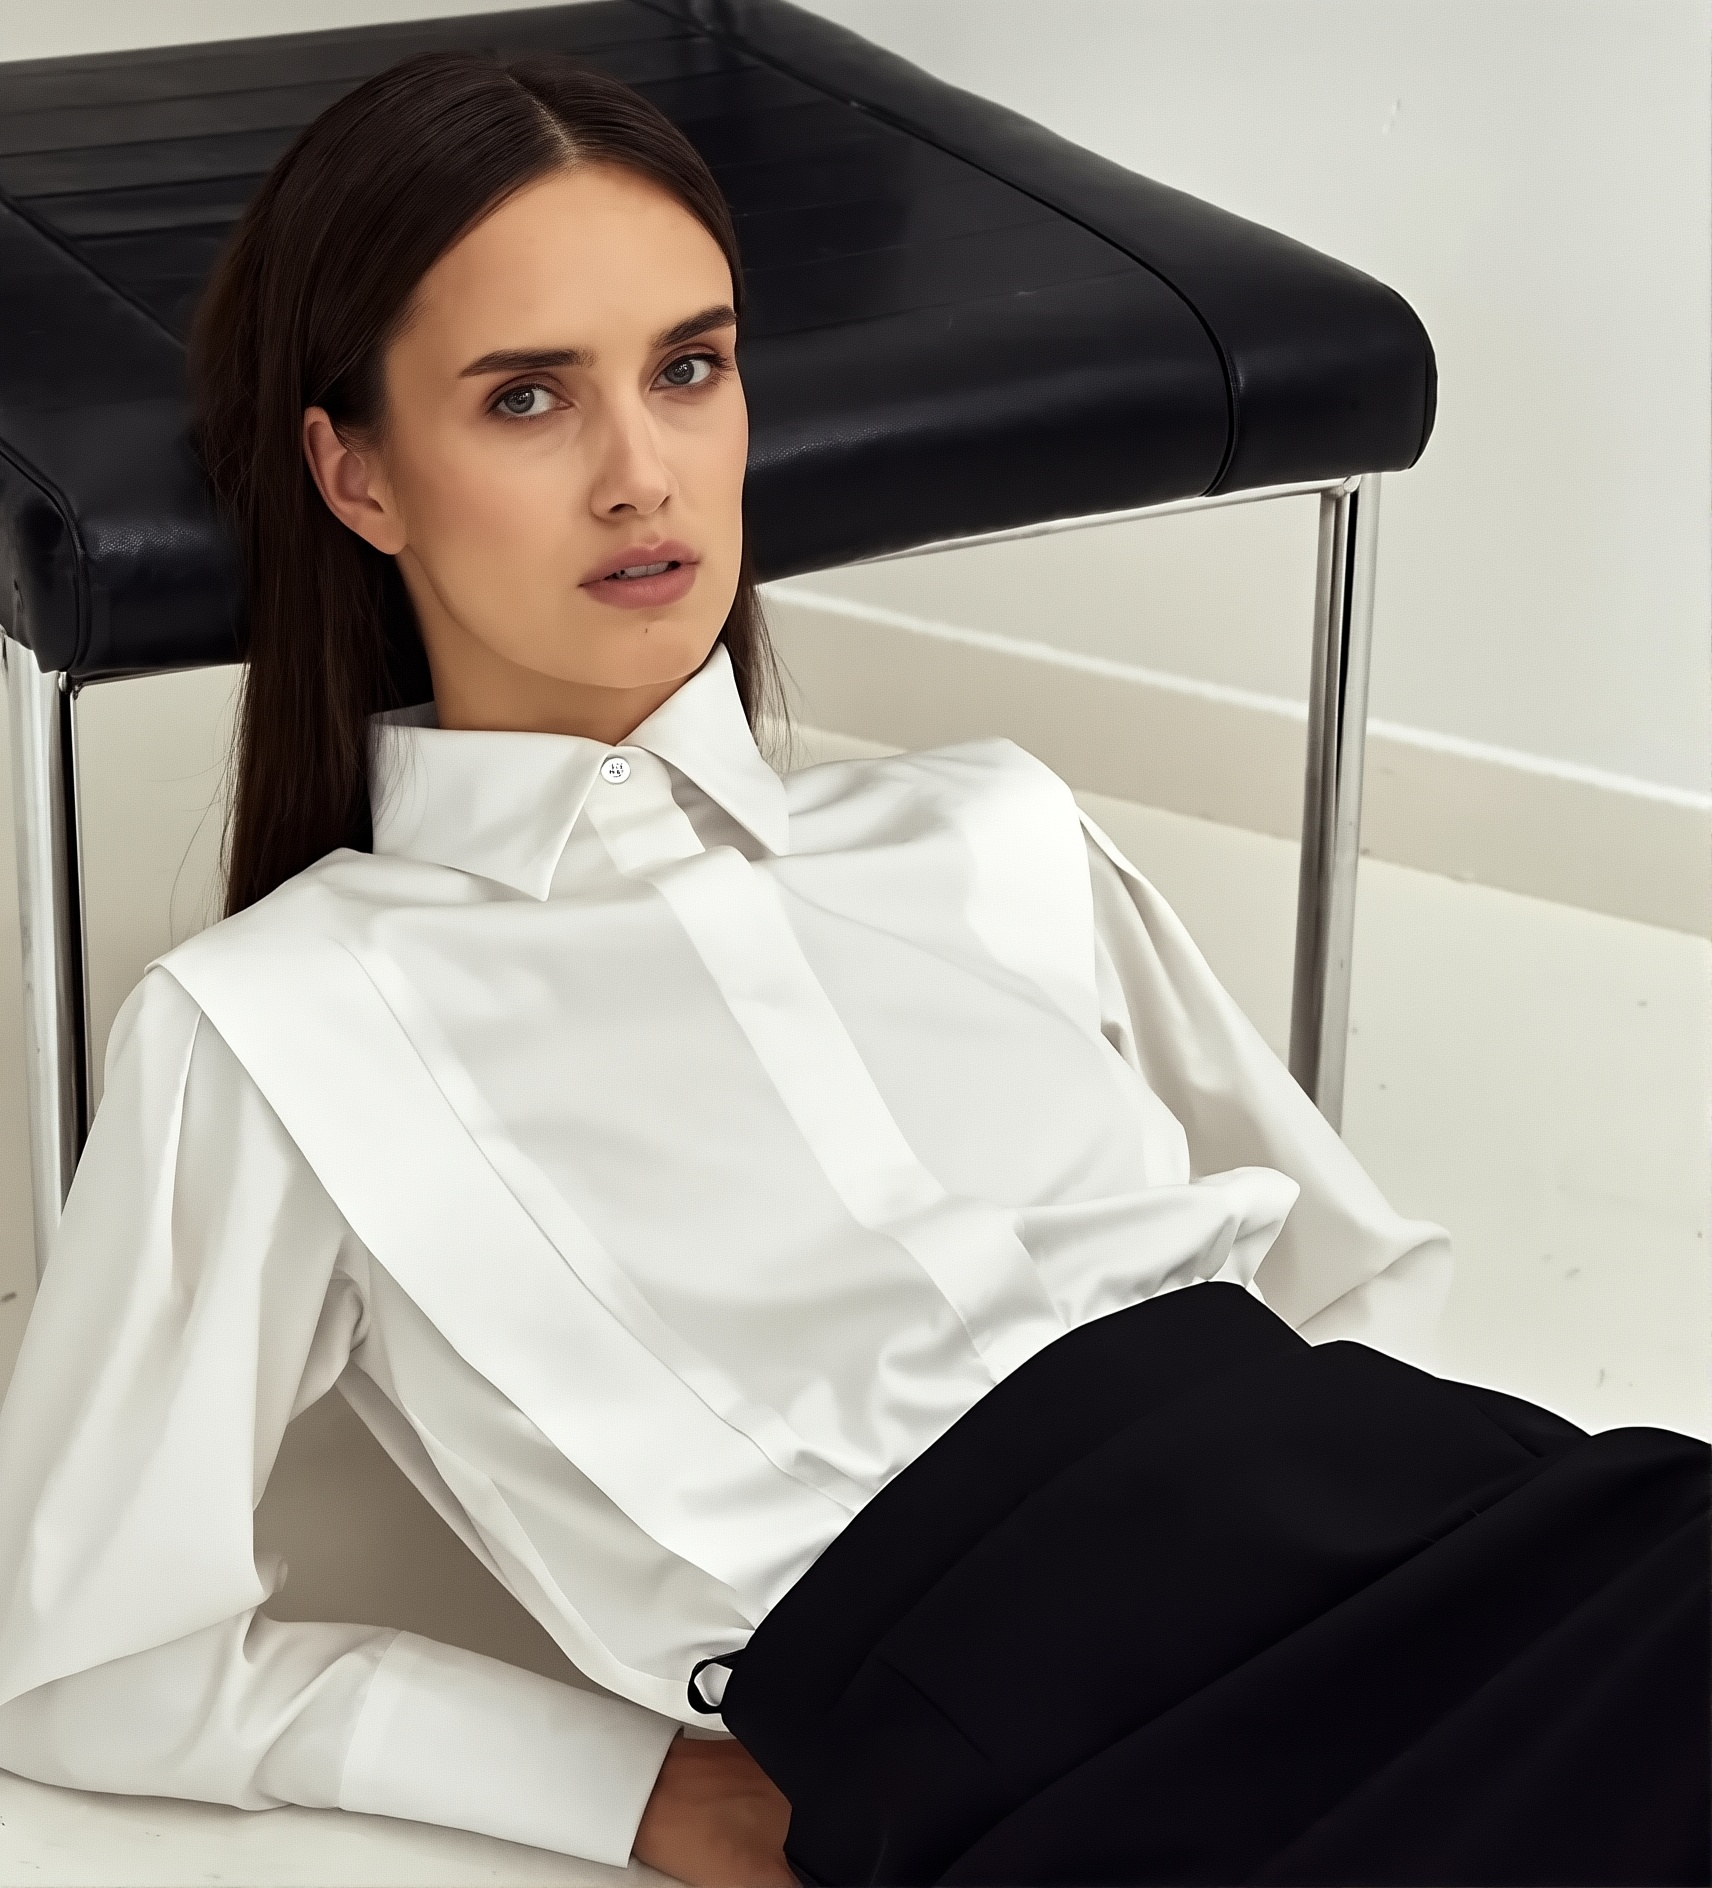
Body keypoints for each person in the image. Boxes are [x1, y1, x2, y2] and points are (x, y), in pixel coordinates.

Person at [0, 50, 1702, 1888]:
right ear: (357, 473)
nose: (641, 476)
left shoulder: (992, 828)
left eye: (689, 368)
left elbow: (1343, 1274)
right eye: (525, 398)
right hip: (1074, 1737)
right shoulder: (282, 1022)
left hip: (1501, 1528)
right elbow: (79, 1655)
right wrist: (641, 1792)